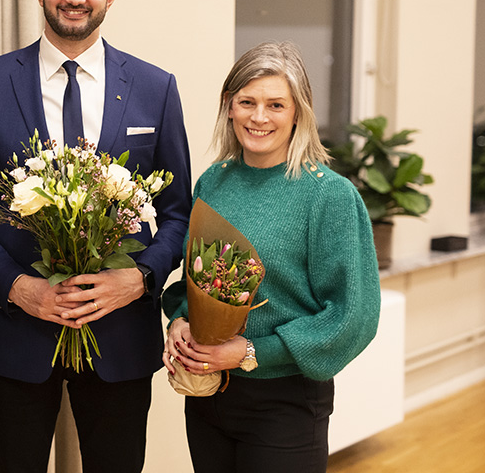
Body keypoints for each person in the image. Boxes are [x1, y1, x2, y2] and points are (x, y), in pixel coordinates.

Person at [0, 0, 192, 472]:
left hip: (120, 334)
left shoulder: (155, 87)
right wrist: (18, 287)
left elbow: (178, 212)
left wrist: (139, 278)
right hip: (17, 332)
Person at [163, 41, 381, 473]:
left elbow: (352, 316)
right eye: (247, 102)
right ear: (229, 106)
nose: (259, 117)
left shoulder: (329, 196)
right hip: (208, 396)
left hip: (285, 404)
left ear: (298, 113)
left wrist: (252, 351)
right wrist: (180, 321)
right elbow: (198, 279)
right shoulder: (213, 182)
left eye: (276, 105)